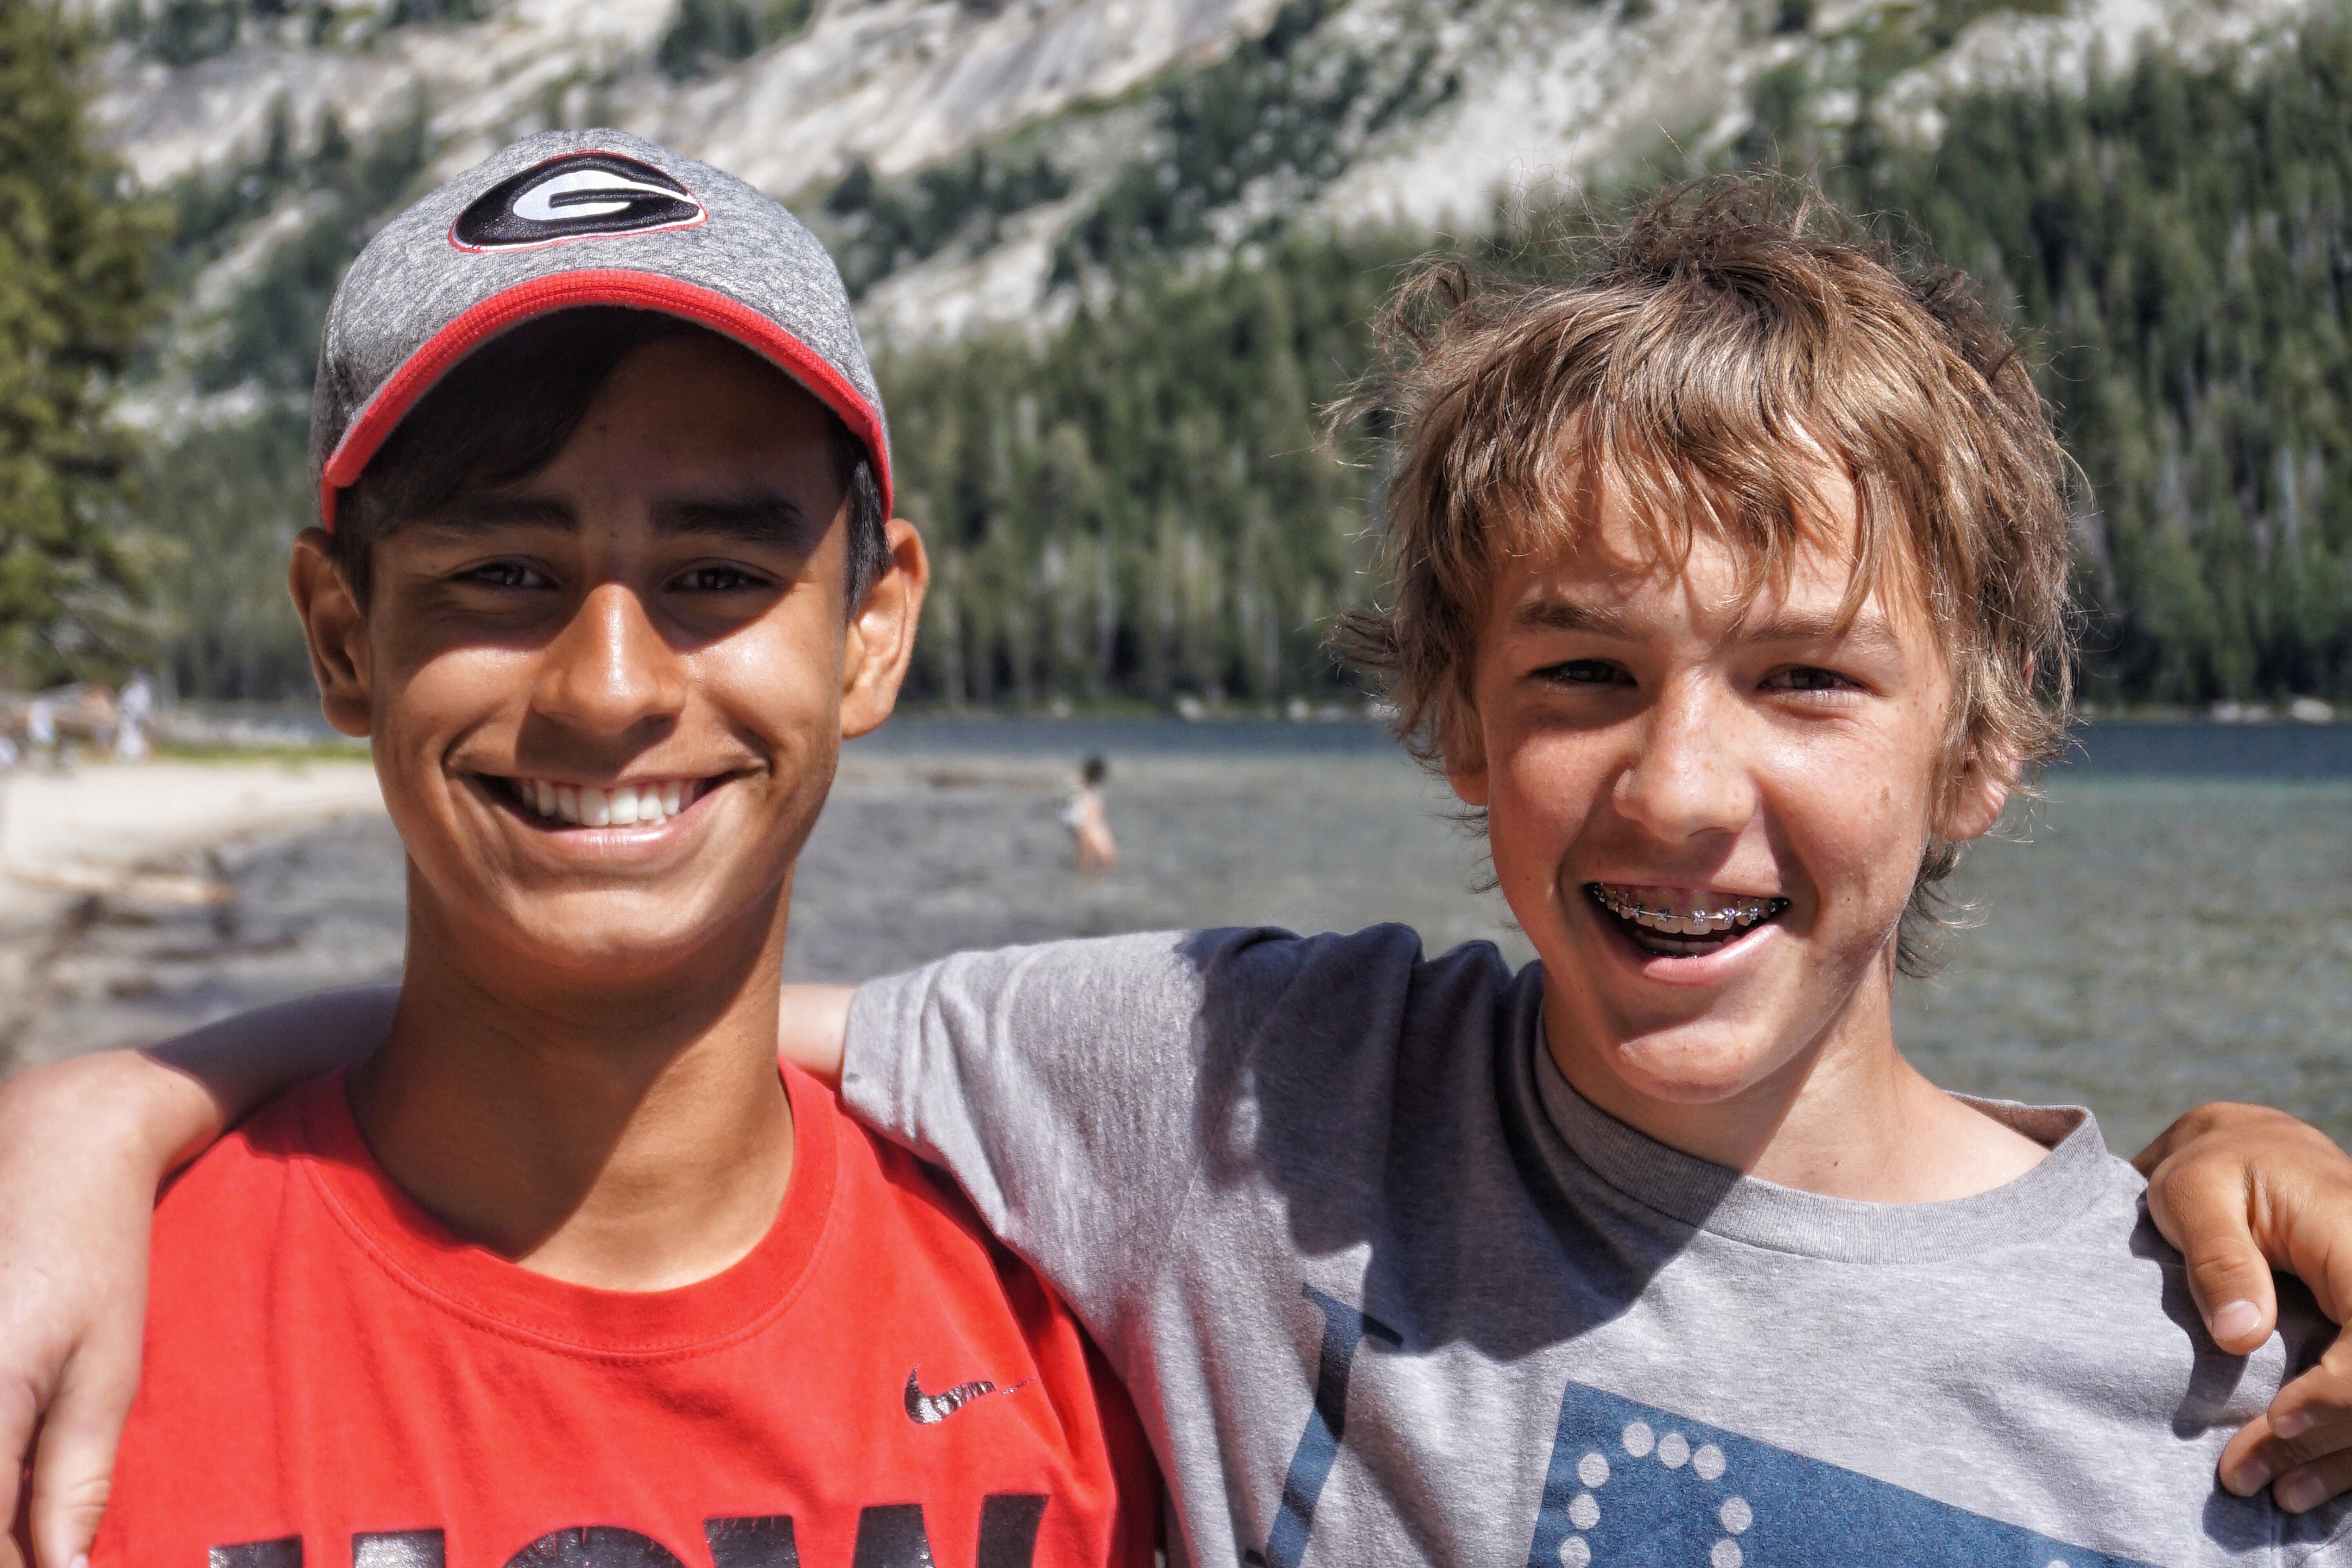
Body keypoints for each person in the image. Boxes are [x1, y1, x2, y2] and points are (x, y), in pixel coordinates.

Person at [8, 175, 2352, 1565]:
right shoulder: (1253, 1090)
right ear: (1456, 719)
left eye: (1809, 683)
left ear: (1987, 747)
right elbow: (640, 1015)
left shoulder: (2241, 1365)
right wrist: (106, 1106)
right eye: (1579, 676)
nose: (1676, 786)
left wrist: (2225, 1156)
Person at [0, 129, 1158, 1568]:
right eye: (503, 573)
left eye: (716, 574)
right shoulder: (68, 1367)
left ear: (871, 634)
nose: (609, 689)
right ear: (344, 638)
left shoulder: (1090, 1337)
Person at [1062, 755, 1118, 870]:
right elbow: (1078, 816)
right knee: (1091, 858)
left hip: (1092, 825)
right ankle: (1087, 877)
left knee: (1107, 859)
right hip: (1087, 825)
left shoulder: (1090, 789)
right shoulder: (1083, 790)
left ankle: (1089, 877)